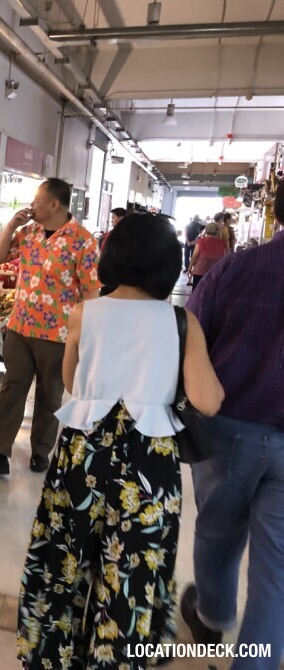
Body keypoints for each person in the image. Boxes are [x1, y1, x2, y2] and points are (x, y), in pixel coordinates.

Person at [17, 214, 224, 670]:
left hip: (83, 454)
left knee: (64, 560)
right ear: (168, 265)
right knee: (133, 569)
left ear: (112, 257)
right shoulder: (180, 323)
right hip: (149, 465)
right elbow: (208, 402)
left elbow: (72, 382)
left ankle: (52, 655)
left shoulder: (83, 313)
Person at [181, 182, 284, 670]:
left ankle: (213, 616)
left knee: (218, 531)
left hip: (229, 430)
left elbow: (192, 340)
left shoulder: (236, 269)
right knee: (277, 572)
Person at [0, 178, 101, 475]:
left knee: (49, 393)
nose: (32, 204)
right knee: (13, 387)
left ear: (54, 204)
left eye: (37, 199)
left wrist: (88, 337)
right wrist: (11, 225)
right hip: (19, 326)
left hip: (58, 333)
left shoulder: (83, 241)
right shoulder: (28, 232)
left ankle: (41, 451)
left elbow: (93, 293)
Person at [187, 221, 227, 287]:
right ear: (217, 231)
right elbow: (225, 258)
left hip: (200, 271)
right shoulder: (222, 243)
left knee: (197, 293)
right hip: (216, 272)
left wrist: (190, 268)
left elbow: (194, 256)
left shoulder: (201, 241)